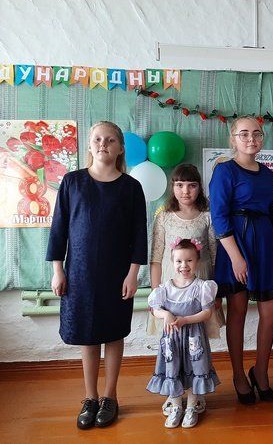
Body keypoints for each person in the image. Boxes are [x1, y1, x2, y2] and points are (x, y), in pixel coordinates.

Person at [47, 121, 147, 429]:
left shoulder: (131, 187)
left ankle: (110, 396)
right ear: (90, 145)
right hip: (80, 273)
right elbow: (59, 229)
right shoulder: (72, 182)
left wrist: (133, 274)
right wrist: (58, 269)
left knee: (113, 333)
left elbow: (139, 235)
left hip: (117, 274)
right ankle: (90, 397)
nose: (103, 144)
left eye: (110, 140)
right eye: (97, 139)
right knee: (87, 335)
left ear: (120, 148)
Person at [209, 116, 273, 404]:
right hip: (236, 244)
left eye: (257, 133)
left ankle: (261, 371)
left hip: (263, 244)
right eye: (244, 134)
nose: (251, 138)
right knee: (238, 311)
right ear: (233, 139)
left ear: (262, 138)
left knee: (271, 311)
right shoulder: (224, 171)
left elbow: (270, 212)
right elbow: (219, 216)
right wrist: (236, 257)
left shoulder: (267, 174)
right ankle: (239, 375)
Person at [149, 163, 223, 416]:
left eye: (192, 185)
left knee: (196, 342)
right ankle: (174, 393)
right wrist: (156, 295)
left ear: (199, 187)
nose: (185, 191)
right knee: (171, 342)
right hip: (171, 289)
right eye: (179, 185)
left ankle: (195, 392)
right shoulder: (164, 217)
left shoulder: (207, 216)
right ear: (173, 187)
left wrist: (214, 294)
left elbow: (214, 254)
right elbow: (156, 257)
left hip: (198, 286)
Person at [147, 238, 220, 429]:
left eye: (189, 260)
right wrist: (166, 314)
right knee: (173, 368)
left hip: (194, 338)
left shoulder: (202, 287)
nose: (184, 265)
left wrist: (186, 320)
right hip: (172, 339)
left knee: (196, 367)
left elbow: (207, 313)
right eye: (179, 261)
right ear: (172, 262)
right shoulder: (165, 288)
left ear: (197, 261)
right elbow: (155, 309)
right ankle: (176, 405)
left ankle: (192, 405)